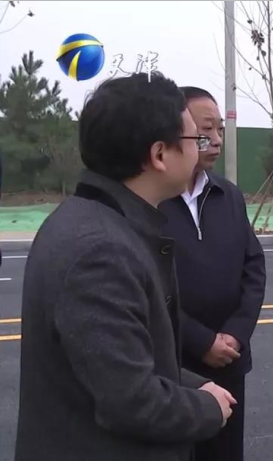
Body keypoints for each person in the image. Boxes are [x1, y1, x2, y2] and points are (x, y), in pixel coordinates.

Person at [14, 73, 236, 461]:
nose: (203, 148)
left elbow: (118, 364)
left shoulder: (94, 221)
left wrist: (191, 386)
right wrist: (208, 408)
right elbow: (130, 401)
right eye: (194, 139)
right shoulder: (100, 251)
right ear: (159, 155)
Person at [158, 86, 266, 461]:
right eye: (206, 130)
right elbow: (151, 289)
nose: (217, 139)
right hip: (173, 365)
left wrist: (235, 335)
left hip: (229, 361)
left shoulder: (228, 195)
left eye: (220, 129)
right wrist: (202, 341)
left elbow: (254, 268)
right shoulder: (152, 200)